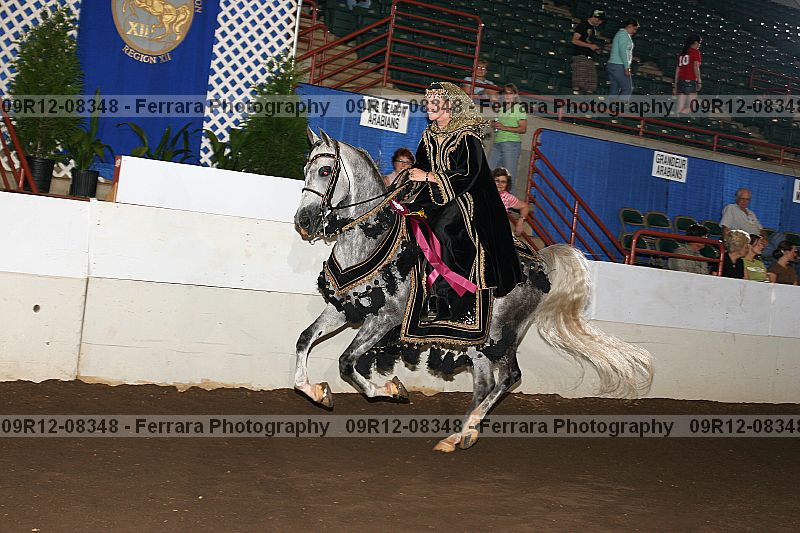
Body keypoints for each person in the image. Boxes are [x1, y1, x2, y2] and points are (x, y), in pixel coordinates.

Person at [405, 81, 523, 323]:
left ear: (449, 105)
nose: (428, 105)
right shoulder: (429, 135)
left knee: (443, 230)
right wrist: (404, 185)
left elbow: (470, 173)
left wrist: (429, 177)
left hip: (467, 197)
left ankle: (453, 297)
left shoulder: (466, 136)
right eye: (427, 101)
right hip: (434, 196)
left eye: (434, 101)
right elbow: (420, 167)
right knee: (407, 222)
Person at [488, 84, 527, 178]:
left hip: (511, 143)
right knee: (490, 171)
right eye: (505, 93)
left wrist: (504, 127)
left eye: (510, 93)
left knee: (509, 173)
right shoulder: (501, 108)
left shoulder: (519, 109)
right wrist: (493, 124)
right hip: (498, 142)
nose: (507, 95)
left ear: (515, 95)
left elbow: (523, 128)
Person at [571, 8, 605, 95]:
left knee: (591, 81)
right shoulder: (583, 25)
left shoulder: (593, 29)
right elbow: (574, 40)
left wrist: (595, 48)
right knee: (580, 77)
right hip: (580, 54)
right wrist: (590, 46)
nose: (599, 22)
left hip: (588, 56)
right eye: (599, 20)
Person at [607, 18, 639, 101]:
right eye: (634, 29)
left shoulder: (619, 34)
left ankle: (608, 106)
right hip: (619, 65)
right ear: (630, 26)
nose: (635, 32)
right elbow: (623, 52)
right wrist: (627, 67)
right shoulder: (624, 35)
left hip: (612, 65)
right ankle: (619, 107)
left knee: (614, 90)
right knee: (627, 89)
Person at [492, 167, 530, 236]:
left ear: (507, 184)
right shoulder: (483, 193)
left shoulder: (507, 197)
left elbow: (525, 206)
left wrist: (520, 222)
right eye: (497, 181)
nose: (500, 184)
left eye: (503, 182)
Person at [673, 34, 703, 115]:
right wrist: (699, 81)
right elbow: (696, 67)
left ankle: (678, 118)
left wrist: (675, 84)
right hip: (690, 81)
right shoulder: (695, 52)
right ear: (695, 43)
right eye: (699, 43)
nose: (699, 45)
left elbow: (677, 70)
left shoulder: (682, 53)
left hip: (680, 81)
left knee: (680, 107)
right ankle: (681, 116)